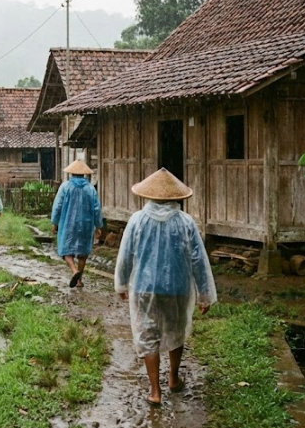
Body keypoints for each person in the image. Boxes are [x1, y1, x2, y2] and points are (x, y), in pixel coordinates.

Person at [114, 168, 217, 407]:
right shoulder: (185, 222)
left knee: (147, 333)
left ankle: (154, 390)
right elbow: (199, 260)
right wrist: (204, 294)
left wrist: (121, 283)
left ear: (149, 196)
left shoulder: (137, 220)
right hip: (177, 287)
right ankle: (173, 377)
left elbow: (126, 254)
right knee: (175, 330)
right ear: (176, 197)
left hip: (144, 287)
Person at [51, 160, 103, 288]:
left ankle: (74, 271)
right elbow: (96, 208)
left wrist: (55, 222)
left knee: (66, 249)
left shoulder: (65, 187)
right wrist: (98, 225)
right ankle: (79, 281)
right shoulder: (90, 189)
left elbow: (57, 206)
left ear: (71, 173)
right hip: (86, 224)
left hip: (68, 223)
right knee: (83, 252)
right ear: (84, 174)